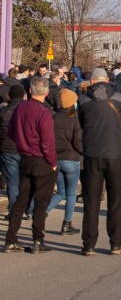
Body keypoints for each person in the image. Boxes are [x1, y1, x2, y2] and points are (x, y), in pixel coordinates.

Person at [3, 78, 57, 254]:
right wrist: (53, 162)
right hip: (41, 159)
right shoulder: (44, 113)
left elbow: (11, 132)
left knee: (21, 200)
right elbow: (48, 141)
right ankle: (37, 240)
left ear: (31, 91)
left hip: (25, 158)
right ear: (46, 92)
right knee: (41, 202)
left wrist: (22, 144)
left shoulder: (20, 108)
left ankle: (11, 239)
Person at [78, 68, 121, 256]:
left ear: (91, 81)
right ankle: (116, 243)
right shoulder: (119, 99)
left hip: (92, 152)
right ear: (107, 80)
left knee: (91, 201)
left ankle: (88, 244)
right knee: (116, 201)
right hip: (116, 152)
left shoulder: (82, 100)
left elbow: (81, 125)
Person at [46, 89, 83, 234]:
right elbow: (78, 142)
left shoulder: (53, 118)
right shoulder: (74, 119)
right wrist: (83, 152)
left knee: (60, 192)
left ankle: (42, 213)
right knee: (71, 192)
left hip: (56, 158)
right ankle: (67, 223)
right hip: (71, 158)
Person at [0, 85, 26, 220]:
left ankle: (13, 211)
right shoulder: (28, 109)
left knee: (12, 181)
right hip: (25, 148)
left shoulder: (3, 111)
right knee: (25, 180)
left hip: (7, 149)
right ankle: (27, 208)